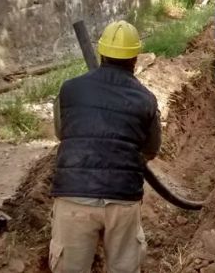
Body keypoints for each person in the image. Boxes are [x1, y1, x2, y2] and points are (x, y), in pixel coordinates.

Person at [49, 21, 161, 273]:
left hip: (73, 196)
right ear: (135, 58)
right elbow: (151, 149)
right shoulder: (146, 99)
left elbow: (61, 132)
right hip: (122, 200)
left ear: (101, 53)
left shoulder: (70, 89)